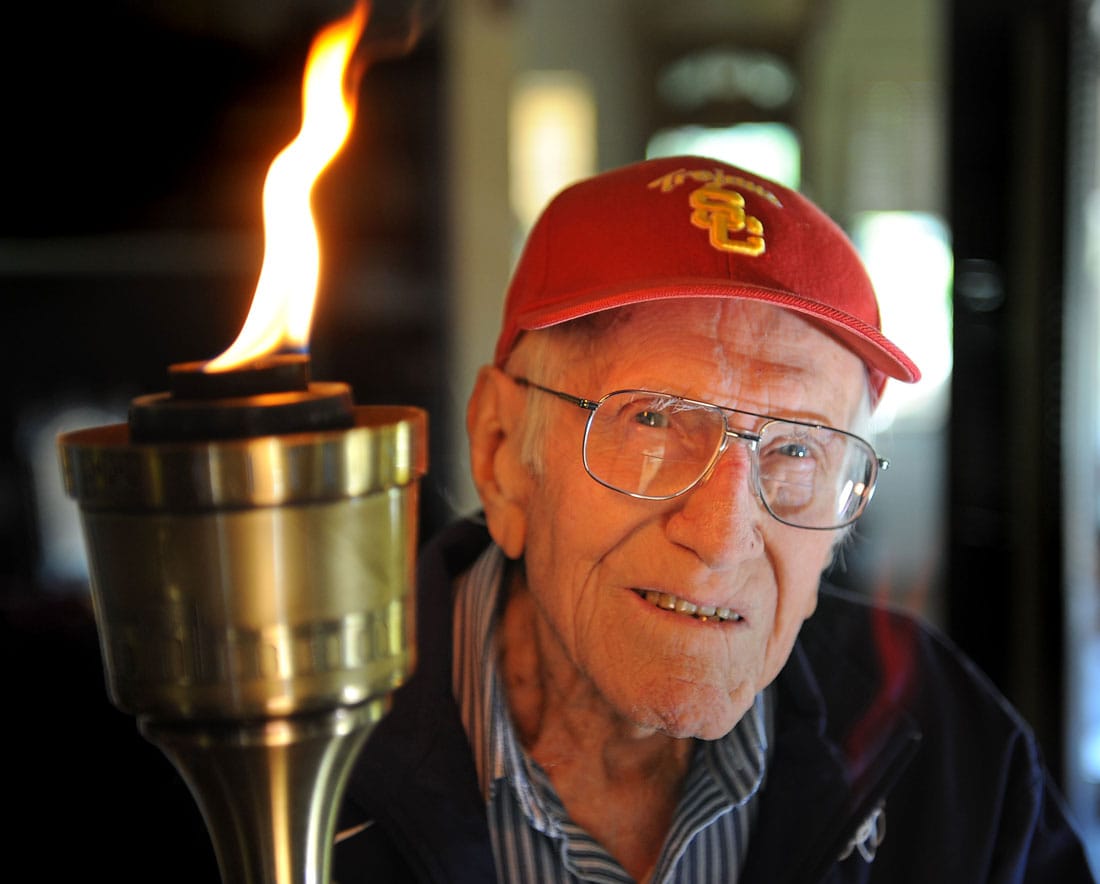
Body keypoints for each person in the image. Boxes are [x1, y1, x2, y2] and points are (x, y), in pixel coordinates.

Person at [333, 155, 1097, 883]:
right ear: (501, 453)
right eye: (655, 422)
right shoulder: (292, 741)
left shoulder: (946, 742)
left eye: (797, 448)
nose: (723, 536)